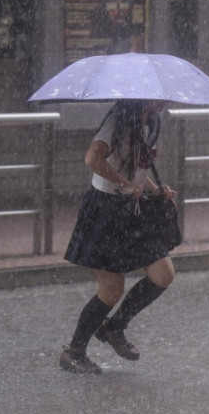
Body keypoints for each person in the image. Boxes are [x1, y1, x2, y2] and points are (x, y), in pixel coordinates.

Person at [59, 99, 177, 374]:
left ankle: (113, 328)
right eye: (157, 95)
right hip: (105, 210)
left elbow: (133, 168)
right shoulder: (118, 119)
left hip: (132, 210)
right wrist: (124, 184)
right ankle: (74, 351)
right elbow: (92, 159)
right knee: (112, 289)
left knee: (163, 273)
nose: (164, 100)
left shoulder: (151, 121)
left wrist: (155, 190)